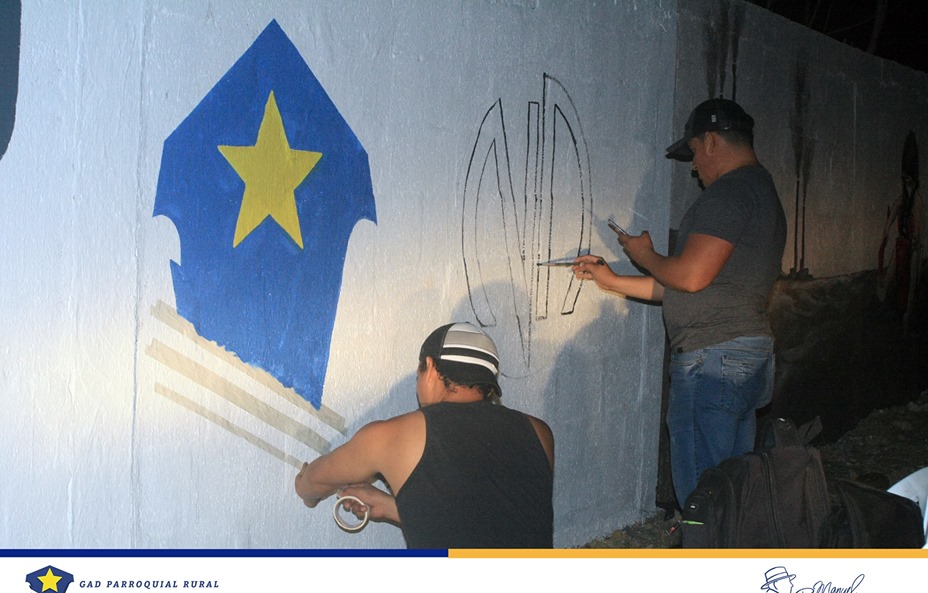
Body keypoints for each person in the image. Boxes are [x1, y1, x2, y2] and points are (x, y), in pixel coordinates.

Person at [572, 98, 786, 509]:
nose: (693, 166)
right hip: (739, 355)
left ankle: (706, 549)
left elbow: (689, 276)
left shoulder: (730, 192)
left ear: (711, 141)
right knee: (729, 489)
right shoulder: (760, 190)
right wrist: (612, 280)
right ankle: (726, 546)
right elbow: (688, 287)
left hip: (713, 360)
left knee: (704, 495)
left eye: (693, 152)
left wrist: (644, 254)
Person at [294, 322, 555, 548]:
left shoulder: (396, 435)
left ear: (429, 368)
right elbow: (493, 519)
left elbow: (312, 484)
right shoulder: (538, 432)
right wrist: (394, 508)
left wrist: (304, 487)